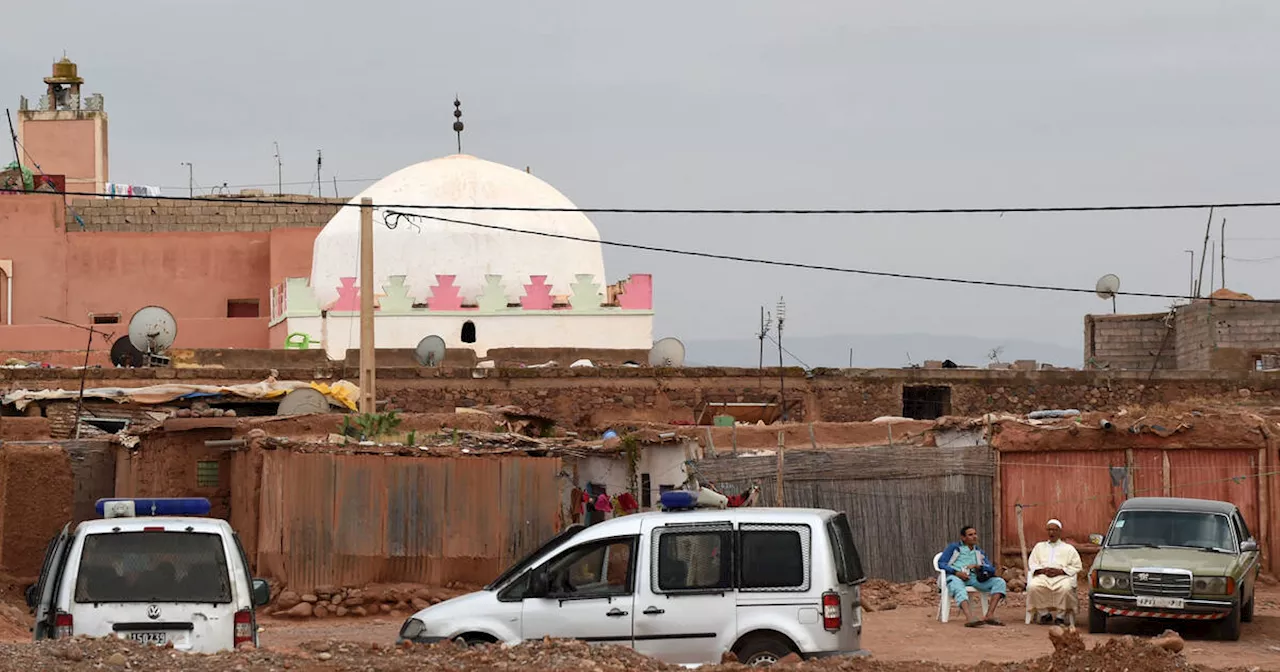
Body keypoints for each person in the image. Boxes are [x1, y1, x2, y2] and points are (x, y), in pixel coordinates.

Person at [939, 525, 1007, 627]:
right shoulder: (954, 548)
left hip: (975, 578)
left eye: (975, 534)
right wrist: (956, 572)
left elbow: (991, 569)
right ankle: (969, 618)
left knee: (999, 582)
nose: (974, 536)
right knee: (958, 587)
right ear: (963, 537)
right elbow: (941, 563)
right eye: (970, 535)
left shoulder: (978, 551)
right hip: (956, 576)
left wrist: (978, 567)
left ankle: (989, 615)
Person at [1026, 518, 1082, 625]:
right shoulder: (1039, 546)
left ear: (1060, 532)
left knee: (1065, 589)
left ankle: (1060, 616)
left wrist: (1061, 571)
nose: (1051, 532)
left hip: (1062, 577)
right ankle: (1044, 614)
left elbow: (1076, 566)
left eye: (1054, 530)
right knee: (1033, 587)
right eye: (1049, 530)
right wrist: (1042, 570)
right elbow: (1032, 563)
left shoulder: (1069, 548)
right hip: (1043, 576)